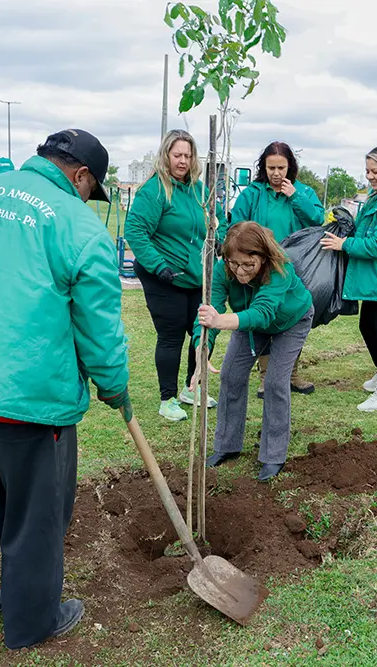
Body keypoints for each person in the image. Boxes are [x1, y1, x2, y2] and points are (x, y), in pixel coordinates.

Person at [0, 129, 131, 649]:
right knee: (36, 516)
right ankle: (32, 621)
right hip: (28, 399)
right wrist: (114, 386)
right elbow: (99, 327)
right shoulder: (81, 228)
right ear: (81, 176)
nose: (88, 198)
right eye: (91, 189)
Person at [196, 222, 314, 480]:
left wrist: (220, 320)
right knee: (231, 375)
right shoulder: (223, 271)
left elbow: (262, 313)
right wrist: (201, 349)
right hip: (248, 321)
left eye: (248, 265)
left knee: (274, 382)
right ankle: (227, 445)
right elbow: (209, 312)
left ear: (263, 257)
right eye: (234, 263)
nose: (239, 271)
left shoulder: (280, 269)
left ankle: (273, 455)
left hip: (290, 320)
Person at [124, 129, 221, 421]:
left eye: (188, 155)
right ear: (166, 155)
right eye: (177, 155)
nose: (183, 161)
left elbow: (218, 222)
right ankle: (167, 399)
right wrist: (159, 267)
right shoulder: (155, 191)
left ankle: (192, 388)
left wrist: (222, 240)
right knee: (172, 335)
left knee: (202, 330)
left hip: (196, 276)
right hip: (164, 276)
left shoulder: (200, 190)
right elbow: (136, 232)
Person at [320, 145, 377, 412]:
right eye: (368, 171)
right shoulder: (376, 199)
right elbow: (364, 232)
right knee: (368, 327)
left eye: (376, 171)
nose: (370, 176)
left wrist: (345, 244)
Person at [229, 141, 324, 397]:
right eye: (271, 167)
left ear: (290, 167)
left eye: (281, 167)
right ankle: (265, 375)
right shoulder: (252, 194)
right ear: (264, 167)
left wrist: (295, 196)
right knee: (264, 316)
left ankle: (290, 373)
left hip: (295, 268)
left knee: (292, 316)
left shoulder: (302, 192)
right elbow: (236, 226)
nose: (276, 173)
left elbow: (318, 220)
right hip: (260, 269)